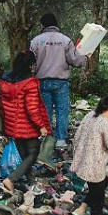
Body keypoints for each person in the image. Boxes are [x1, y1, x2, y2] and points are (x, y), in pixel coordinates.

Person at [30, 13, 87, 149]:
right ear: (56, 23)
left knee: (45, 111)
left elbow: (31, 64)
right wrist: (84, 55)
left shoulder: (36, 41)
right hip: (61, 82)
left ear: (43, 25)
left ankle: (47, 139)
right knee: (62, 111)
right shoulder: (65, 40)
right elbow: (75, 61)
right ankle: (61, 140)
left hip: (42, 81)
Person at [0, 50, 52, 193]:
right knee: (33, 153)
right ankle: (11, 179)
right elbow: (32, 109)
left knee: (24, 154)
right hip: (26, 126)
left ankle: (31, 181)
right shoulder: (30, 83)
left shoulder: (5, 80)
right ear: (29, 65)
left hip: (11, 124)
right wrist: (41, 126)